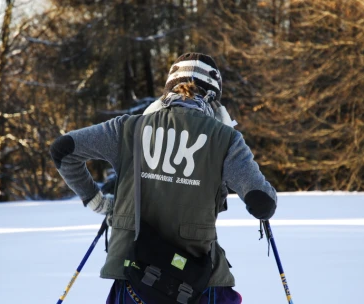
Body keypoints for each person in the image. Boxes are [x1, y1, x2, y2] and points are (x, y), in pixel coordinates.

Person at [50, 52, 277, 304]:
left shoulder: (127, 128)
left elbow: (63, 150)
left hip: (133, 277)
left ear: (169, 88)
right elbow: (262, 202)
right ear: (213, 97)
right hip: (196, 282)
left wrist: (97, 201)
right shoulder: (225, 139)